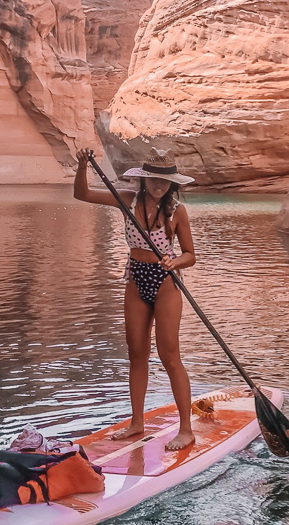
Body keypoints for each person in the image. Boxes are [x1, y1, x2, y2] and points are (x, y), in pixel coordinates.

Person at [73, 147, 197, 450]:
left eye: (164, 181)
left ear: (172, 184)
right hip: (136, 278)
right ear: (144, 179)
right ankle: (137, 423)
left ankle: (186, 429)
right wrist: (81, 167)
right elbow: (83, 195)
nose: (158, 185)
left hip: (166, 282)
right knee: (136, 355)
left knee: (170, 356)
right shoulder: (128, 199)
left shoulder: (176, 211)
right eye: (153, 179)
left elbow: (190, 255)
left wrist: (174, 263)